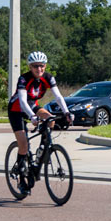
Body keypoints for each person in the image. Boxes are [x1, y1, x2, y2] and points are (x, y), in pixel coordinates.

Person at [8, 51, 71, 190]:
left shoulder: (48, 78)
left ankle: (43, 149)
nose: (39, 69)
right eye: (35, 66)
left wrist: (66, 112)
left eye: (41, 66)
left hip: (33, 107)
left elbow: (58, 97)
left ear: (45, 66)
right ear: (30, 67)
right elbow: (23, 101)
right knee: (23, 145)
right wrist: (32, 117)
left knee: (51, 119)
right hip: (16, 110)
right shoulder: (24, 79)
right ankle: (20, 176)